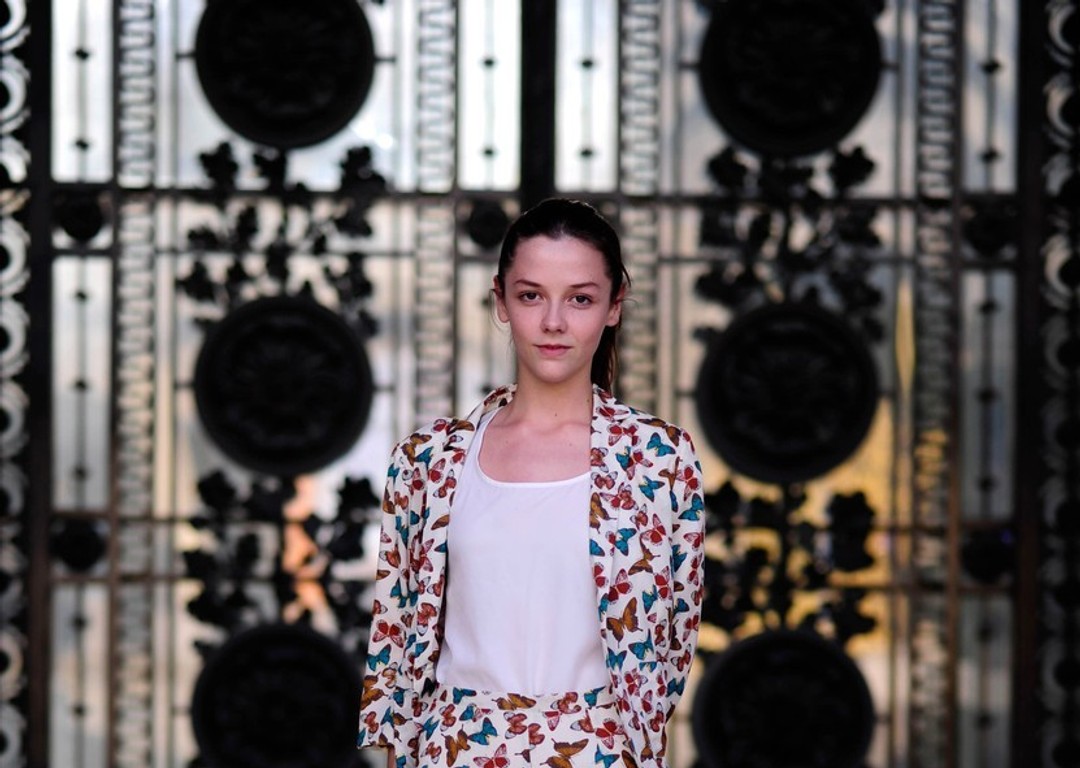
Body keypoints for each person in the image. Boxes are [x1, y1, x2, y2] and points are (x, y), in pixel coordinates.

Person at [358, 198, 705, 768]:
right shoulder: (428, 462)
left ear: (614, 305)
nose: (554, 322)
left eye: (580, 299)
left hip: (599, 753)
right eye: (531, 296)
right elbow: (399, 648)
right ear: (500, 300)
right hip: (457, 752)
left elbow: (671, 648)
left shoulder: (658, 460)